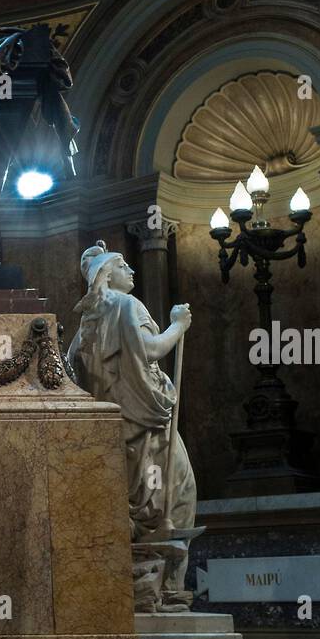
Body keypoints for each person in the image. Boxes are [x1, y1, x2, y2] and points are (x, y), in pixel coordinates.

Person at [67, 240, 196, 604]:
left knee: (136, 508)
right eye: (124, 266)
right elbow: (151, 350)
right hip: (150, 424)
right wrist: (177, 326)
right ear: (108, 275)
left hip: (117, 433)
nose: (133, 271)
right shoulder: (127, 306)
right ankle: (169, 590)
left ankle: (136, 591)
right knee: (179, 495)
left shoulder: (84, 328)